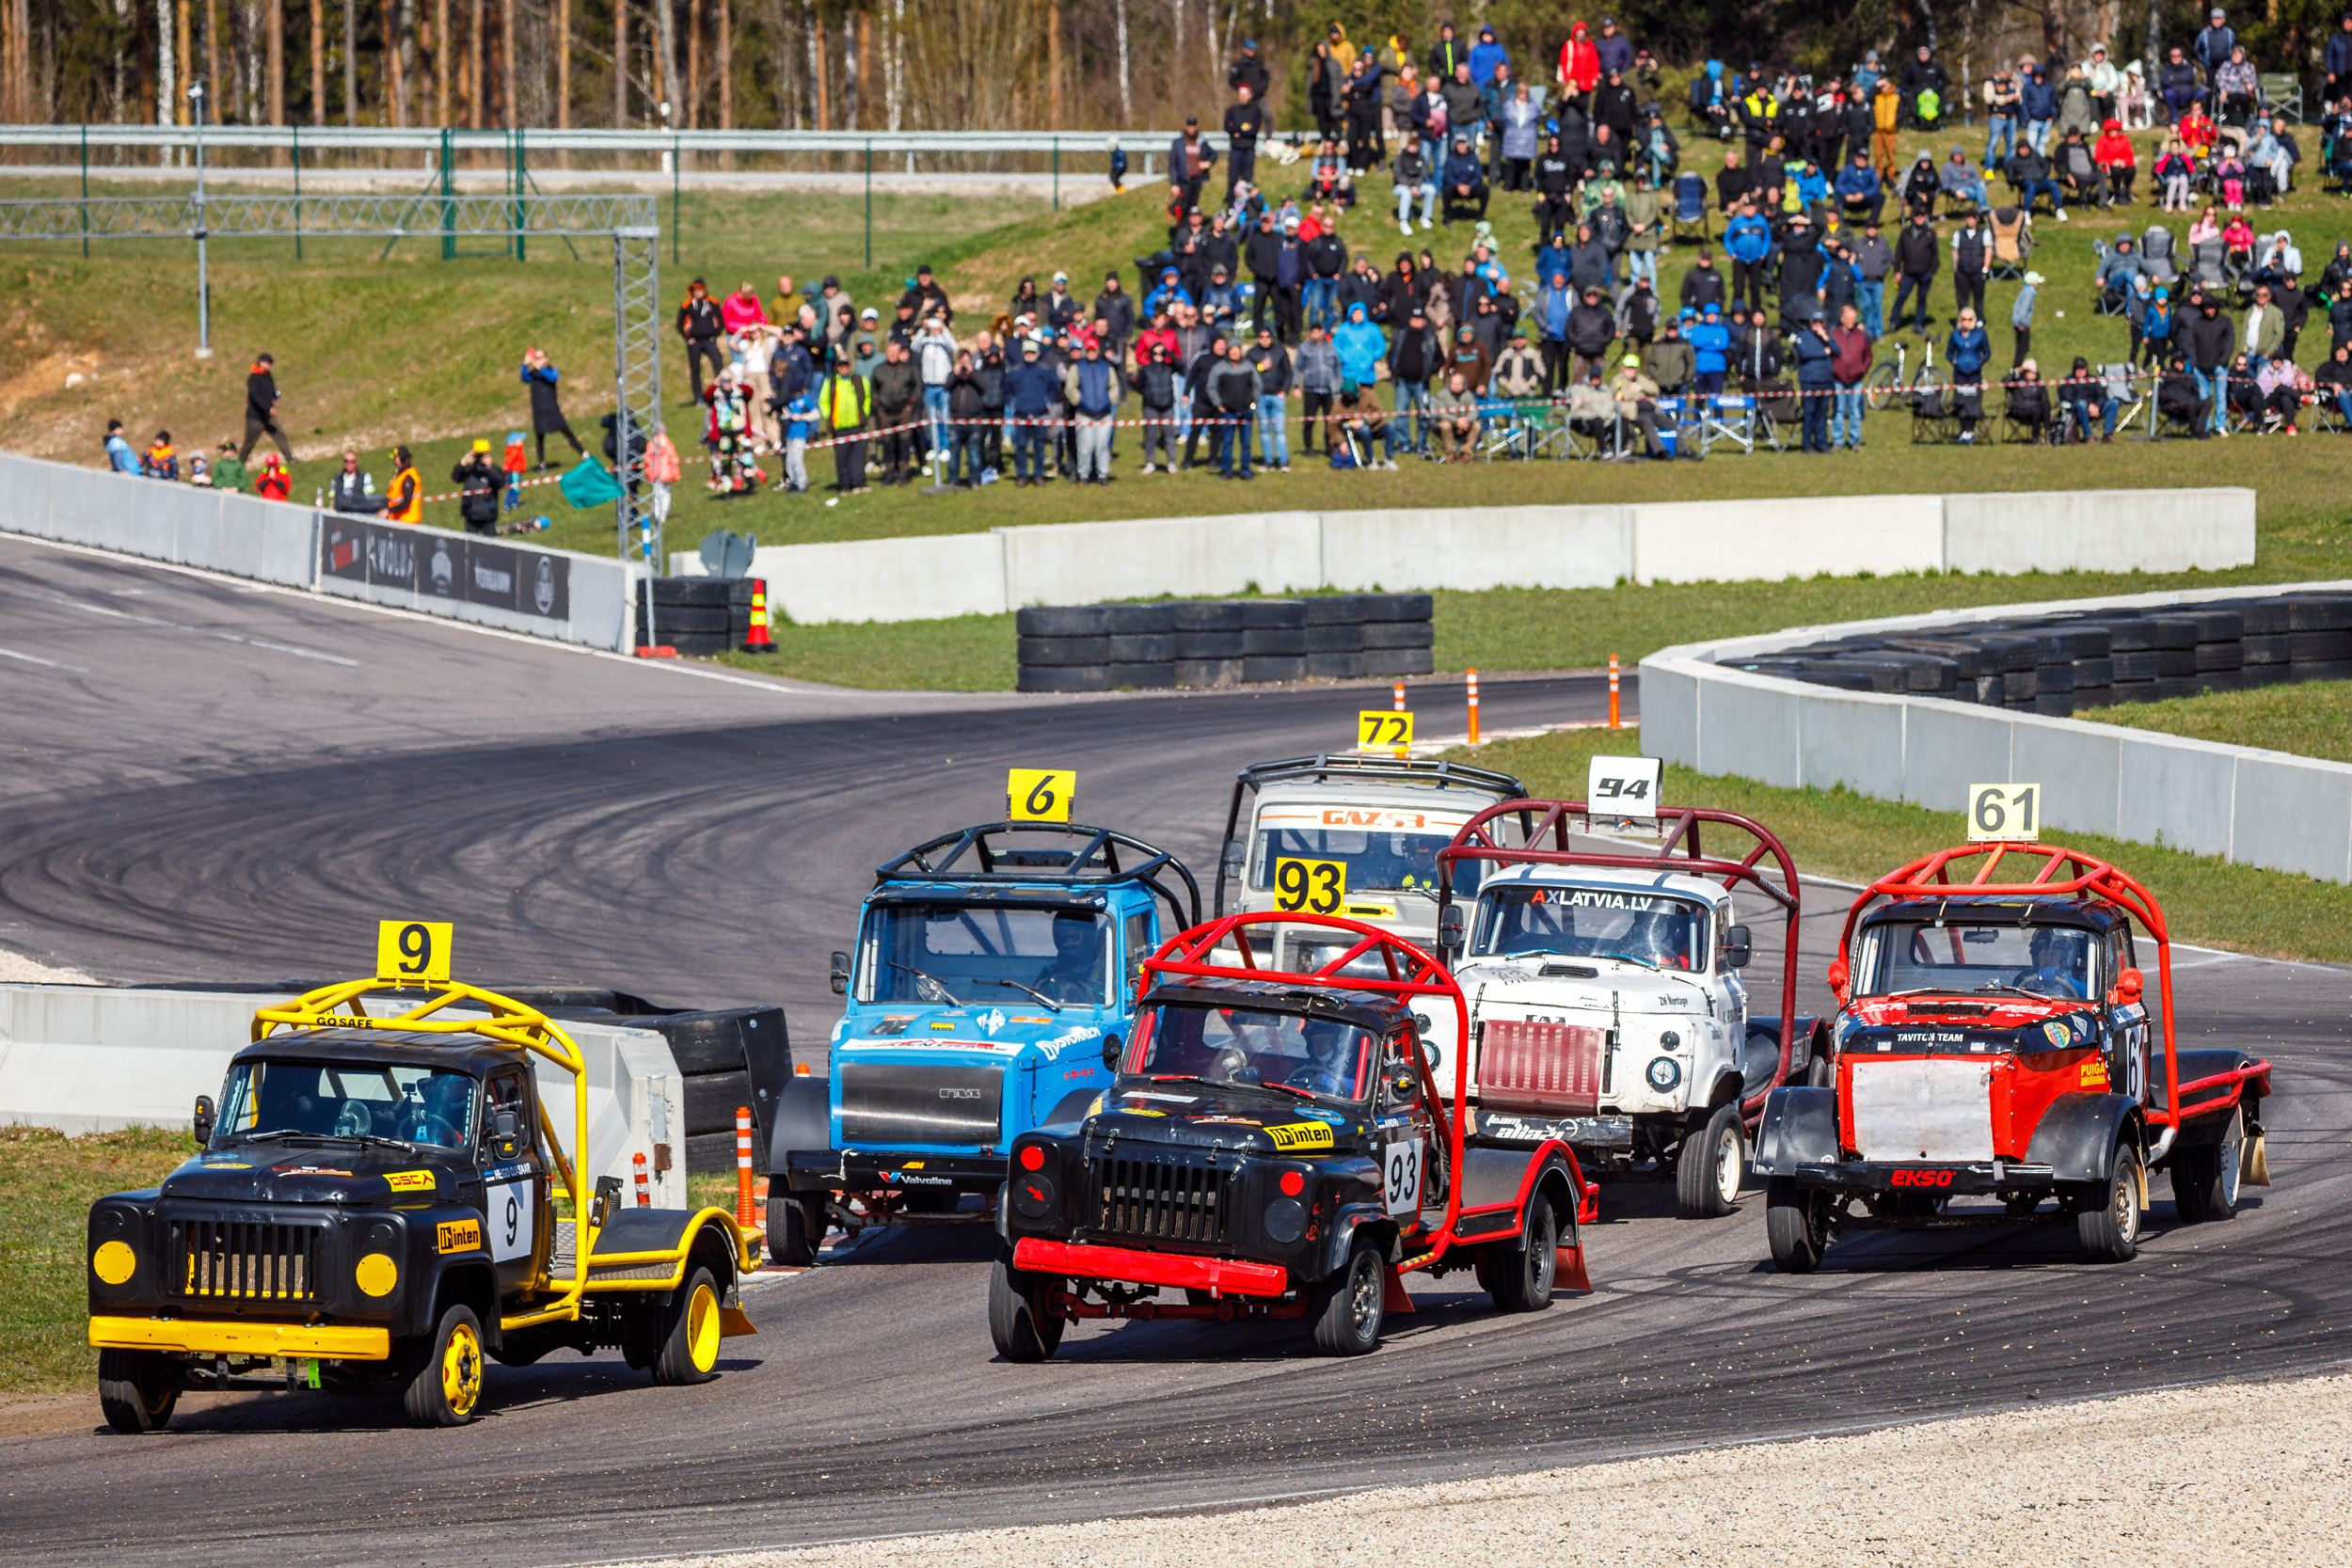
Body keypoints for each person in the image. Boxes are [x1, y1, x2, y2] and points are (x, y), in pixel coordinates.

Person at [516, 347, 585, 469]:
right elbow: (524, 377)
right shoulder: (533, 374)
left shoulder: (552, 370)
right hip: (539, 410)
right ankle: (542, 463)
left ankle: (584, 453)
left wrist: (540, 369)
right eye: (535, 358)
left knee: (567, 432)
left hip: (552, 408)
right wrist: (525, 363)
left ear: (546, 359)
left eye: (539, 358)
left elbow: (553, 378)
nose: (537, 360)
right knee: (540, 438)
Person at [818, 345, 874, 491]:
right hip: (840, 426)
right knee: (842, 458)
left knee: (858, 456)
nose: (844, 368)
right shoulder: (831, 382)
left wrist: (864, 413)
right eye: (841, 366)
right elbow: (823, 401)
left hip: (857, 425)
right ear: (837, 367)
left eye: (846, 365)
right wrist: (829, 416)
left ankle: (859, 482)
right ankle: (844, 485)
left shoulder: (860, 380)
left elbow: (867, 398)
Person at [238, 352, 294, 466]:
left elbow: (272, 392)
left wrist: (275, 397)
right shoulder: (253, 378)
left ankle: (290, 459)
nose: (270, 366)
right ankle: (239, 465)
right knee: (249, 443)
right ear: (261, 363)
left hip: (268, 416)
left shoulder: (269, 377)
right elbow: (254, 396)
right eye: (268, 363)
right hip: (255, 417)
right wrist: (267, 408)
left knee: (280, 434)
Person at [675, 280, 726, 404]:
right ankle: (698, 396)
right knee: (695, 368)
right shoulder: (687, 305)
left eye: (699, 290)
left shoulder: (712, 302)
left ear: (704, 290)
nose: (697, 292)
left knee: (718, 364)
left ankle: (720, 391)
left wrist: (715, 334)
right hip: (695, 341)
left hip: (709, 340)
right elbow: (679, 324)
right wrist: (688, 338)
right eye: (695, 290)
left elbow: (720, 321)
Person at [1790, 315, 1836, 451]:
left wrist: (1826, 338)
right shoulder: (1802, 336)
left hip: (1825, 380)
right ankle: (1807, 444)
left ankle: (1821, 443)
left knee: (1822, 413)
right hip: (1809, 380)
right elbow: (1804, 353)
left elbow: (1837, 351)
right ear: (1811, 323)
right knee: (1809, 412)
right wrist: (1823, 352)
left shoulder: (1827, 337)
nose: (1817, 325)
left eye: (1820, 322)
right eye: (1815, 322)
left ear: (1824, 323)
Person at [1224, 80, 1266, 199]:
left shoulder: (1255, 111)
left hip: (1248, 149)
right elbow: (1227, 127)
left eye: (1244, 95)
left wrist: (1237, 131)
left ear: (1250, 95)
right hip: (1235, 148)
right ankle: (1231, 202)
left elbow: (1253, 130)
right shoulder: (1232, 110)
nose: (1242, 97)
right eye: (1240, 95)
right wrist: (1243, 128)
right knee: (1232, 178)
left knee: (1247, 178)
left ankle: (1247, 202)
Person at [451, 439, 501, 534]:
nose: (480, 458)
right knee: (470, 541)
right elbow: (455, 478)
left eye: (484, 455)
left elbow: (500, 483)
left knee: (489, 542)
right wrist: (463, 463)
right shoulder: (469, 470)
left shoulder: (494, 470)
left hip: (488, 514)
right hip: (471, 513)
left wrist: (489, 468)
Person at [328, 449, 383, 513]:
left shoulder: (365, 478)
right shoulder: (337, 479)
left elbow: (370, 498)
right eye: (346, 461)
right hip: (340, 514)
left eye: (352, 461)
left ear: (356, 462)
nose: (349, 463)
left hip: (357, 514)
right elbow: (332, 499)